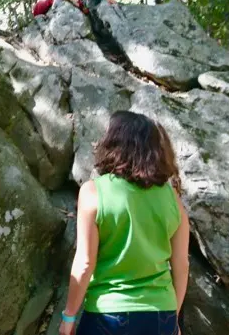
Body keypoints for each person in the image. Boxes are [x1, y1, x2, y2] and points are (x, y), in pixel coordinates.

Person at [59, 111, 190, 335]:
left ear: (113, 143)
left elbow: (84, 263)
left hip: (108, 313)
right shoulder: (172, 198)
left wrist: (69, 316)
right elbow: (181, 265)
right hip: (161, 313)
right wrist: (173, 316)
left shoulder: (94, 192)